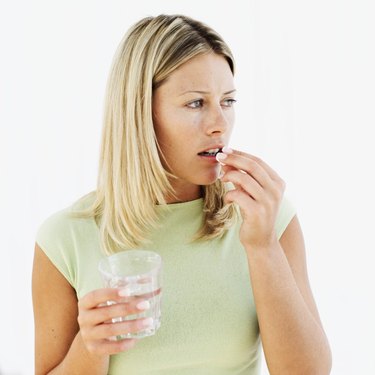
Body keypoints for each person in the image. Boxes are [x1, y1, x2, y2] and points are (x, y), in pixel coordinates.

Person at [32, 14, 332, 375]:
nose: (219, 123)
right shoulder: (65, 238)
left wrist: (262, 246)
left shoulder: (267, 218)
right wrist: (91, 347)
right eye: (196, 103)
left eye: (228, 101)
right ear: (140, 111)